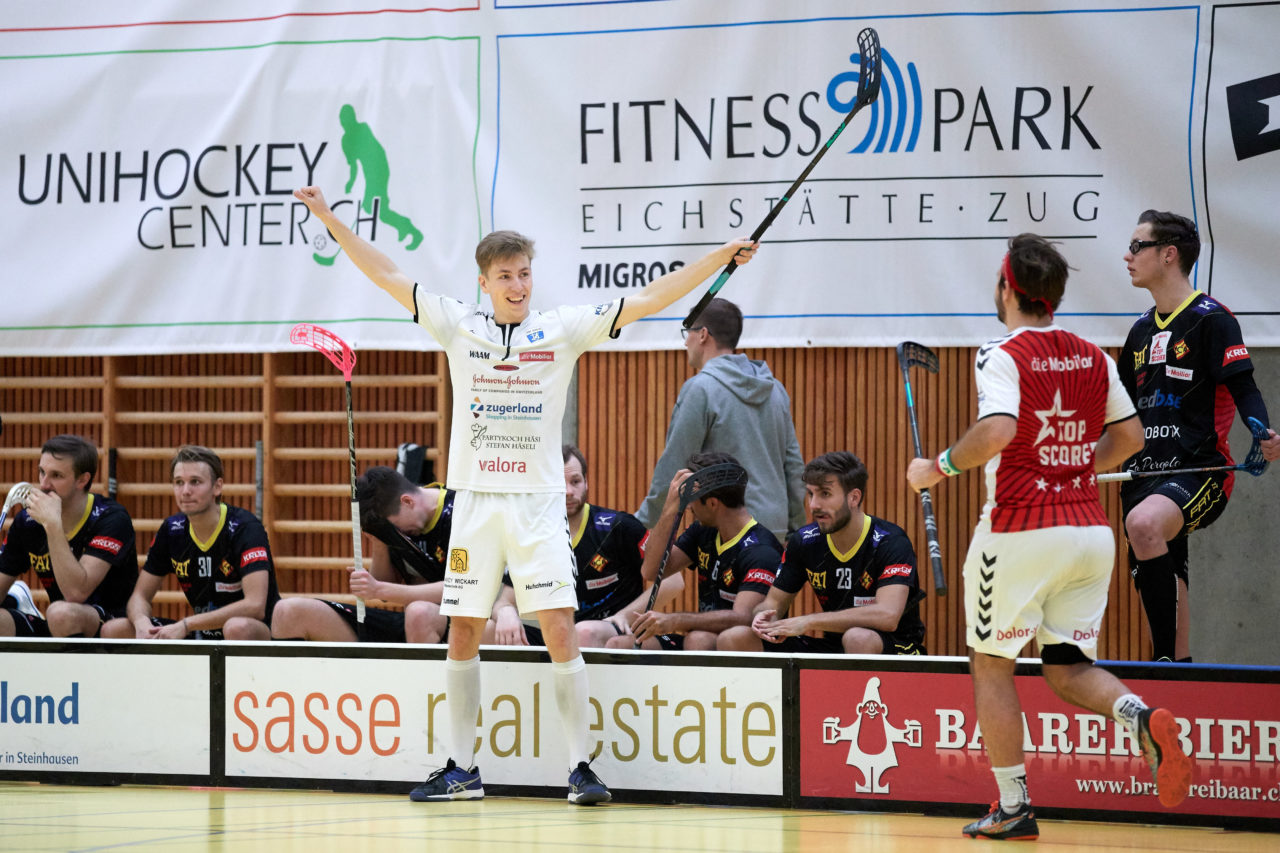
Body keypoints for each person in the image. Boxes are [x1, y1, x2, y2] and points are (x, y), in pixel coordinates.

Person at [292, 184, 757, 805]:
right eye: (506, 275)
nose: (519, 285)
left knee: (561, 629)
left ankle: (581, 769)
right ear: (484, 280)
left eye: (526, 274)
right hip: (477, 504)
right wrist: (327, 218)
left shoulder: (561, 330)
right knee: (462, 630)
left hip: (537, 505)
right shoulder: (458, 325)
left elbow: (648, 297)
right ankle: (462, 768)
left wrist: (716, 259)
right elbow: (387, 273)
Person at [906, 234, 1191, 840]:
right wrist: (1076, 466)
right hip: (1089, 532)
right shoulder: (1092, 353)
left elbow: (998, 429)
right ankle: (1138, 716)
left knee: (990, 663)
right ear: (1055, 295)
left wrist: (938, 468)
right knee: (1065, 666)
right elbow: (1133, 436)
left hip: (1019, 532)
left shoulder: (1000, 351)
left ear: (1007, 287)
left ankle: (1013, 807)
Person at [1117, 210, 1280, 662]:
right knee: (1169, 572)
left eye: (1136, 246)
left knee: (1145, 525)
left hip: (1199, 473)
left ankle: (1164, 668)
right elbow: (1117, 414)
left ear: (1168, 254)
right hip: (1141, 477)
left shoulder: (1212, 320)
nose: (1126, 256)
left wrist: (1262, 431)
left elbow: (1245, 389)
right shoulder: (1138, 332)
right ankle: (1180, 672)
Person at [717, 451, 926, 655]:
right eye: (811, 493)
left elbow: (887, 616)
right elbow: (774, 602)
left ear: (853, 498)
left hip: (897, 648)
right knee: (735, 637)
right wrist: (763, 617)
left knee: (857, 637)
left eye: (825, 494)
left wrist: (808, 621)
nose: (814, 505)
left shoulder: (891, 541)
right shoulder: (805, 541)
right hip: (835, 646)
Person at [636, 297, 804, 542]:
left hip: (729, 530)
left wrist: (640, 525)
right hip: (774, 529)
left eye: (688, 332)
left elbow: (674, 467)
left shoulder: (700, 390)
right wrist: (795, 529)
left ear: (703, 334)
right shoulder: (776, 389)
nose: (685, 342)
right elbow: (794, 467)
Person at [606, 452, 781, 651]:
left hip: (743, 646)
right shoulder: (704, 531)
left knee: (700, 638)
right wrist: (670, 507)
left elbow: (743, 618)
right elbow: (651, 571)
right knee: (618, 646)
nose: (688, 506)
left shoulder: (761, 550)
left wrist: (677, 620)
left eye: (692, 500)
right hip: (702, 639)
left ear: (713, 503)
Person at [101, 445, 279, 640]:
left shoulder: (245, 528)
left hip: (257, 630)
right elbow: (139, 596)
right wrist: (141, 621)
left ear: (217, 487)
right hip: (201, 631)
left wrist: (187, 624)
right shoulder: (172, 530)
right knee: (115, 630)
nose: (185, 491)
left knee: (236, 627)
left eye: (195, 482)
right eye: (179, 482)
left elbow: (255, 606)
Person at [269, 466, 452, 644]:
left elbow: (461, 589)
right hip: (412, 626)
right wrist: (379, 545)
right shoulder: (396, 523)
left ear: (407, 502)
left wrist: (379, 589)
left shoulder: (461, 511)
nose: (399, 532)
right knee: (287, 611)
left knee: (418, 612)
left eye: (396, 525)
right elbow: (385, 589)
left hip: (461, 625)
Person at [491, 445, 649, 649]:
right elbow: (504, 601)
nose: (568, 491)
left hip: (613, 631)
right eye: (558, 483)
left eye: (575, 482)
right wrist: (505, 612)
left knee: (583, 632)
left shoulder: (618, 527)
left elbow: (672, 582)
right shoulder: (534, 537)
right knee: (488, 630)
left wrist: (624, 615)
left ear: (586, 483)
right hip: (562, 635)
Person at [0, 435, 137, 637]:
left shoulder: (112, 519)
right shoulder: (27, 522)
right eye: (42, 472)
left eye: (56, 476)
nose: (44, 484)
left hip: (109, 625)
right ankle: (20, 603)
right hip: (59, 625)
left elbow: (76, 593)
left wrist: (53, 525)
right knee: (58, 615)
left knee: (61, 614)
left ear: (83, 479)